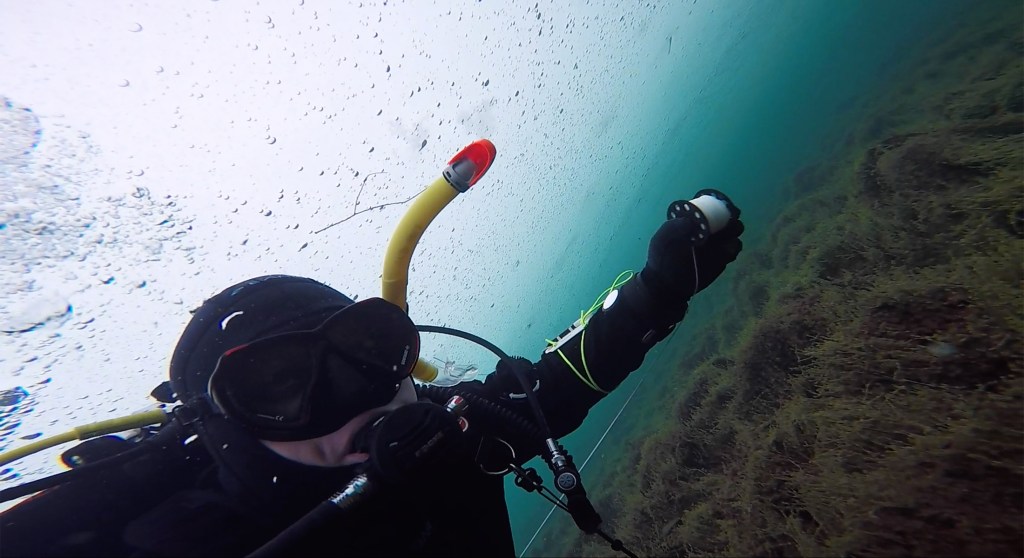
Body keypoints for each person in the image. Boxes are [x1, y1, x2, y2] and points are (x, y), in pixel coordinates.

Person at [0, 191, 744, 557]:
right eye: (282, 387)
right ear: (229, 426)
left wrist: (657, 289)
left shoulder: (451, 432)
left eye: (366, 350)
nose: (355, 398)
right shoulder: (151, 537)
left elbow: (553, 388)